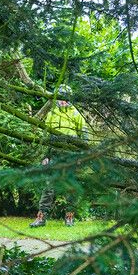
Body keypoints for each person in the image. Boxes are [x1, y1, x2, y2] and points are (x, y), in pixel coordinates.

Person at [29, 98, 86, 228]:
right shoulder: (52, 113)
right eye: (60, 99)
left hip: (71, 156)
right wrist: (45, 156)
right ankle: (41, 218)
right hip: (54, 156)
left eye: (66, 99)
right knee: (49, 187)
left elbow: (84, 137)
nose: (63, 102)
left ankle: (69, 217)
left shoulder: (76, 114)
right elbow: (46, 137)